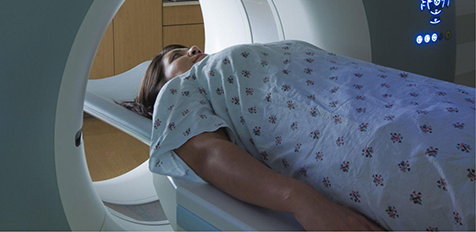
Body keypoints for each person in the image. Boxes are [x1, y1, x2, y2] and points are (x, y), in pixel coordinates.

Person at [119, 43, 475, 231]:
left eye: (188, 47)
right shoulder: (180, 89)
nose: (193, 50)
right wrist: (302, 201)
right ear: (162, 85)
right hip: (381, 137)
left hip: (410, 96)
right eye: (177, 56)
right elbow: (207, 153)